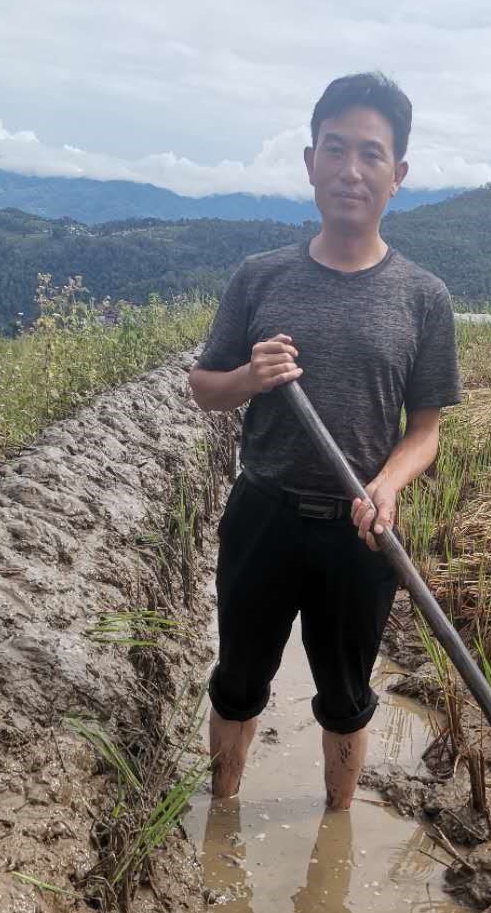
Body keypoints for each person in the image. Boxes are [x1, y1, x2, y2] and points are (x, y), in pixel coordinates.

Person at [188, 71, 462, 810]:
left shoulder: (423, 297)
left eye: (370, 154)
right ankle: (224, 811)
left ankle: (336, 831)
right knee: (239, 681)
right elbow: (204, 388)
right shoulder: (260, 277)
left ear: (397, 175)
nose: (350, 170)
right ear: (310, 160)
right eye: (335, 150)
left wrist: (390, 484)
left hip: (359, 534)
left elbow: (426, 429)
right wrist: (250, 374)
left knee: (347, 697)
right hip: (264, 514)